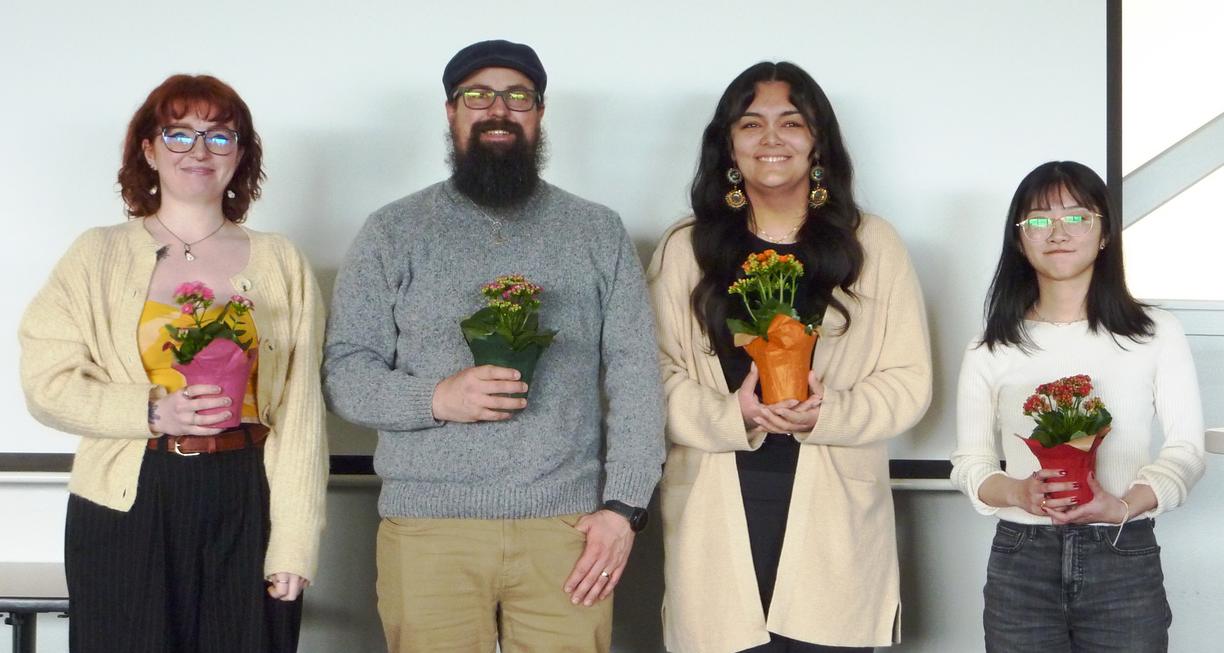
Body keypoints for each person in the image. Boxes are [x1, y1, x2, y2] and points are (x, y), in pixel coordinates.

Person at [322, 39, 665, 652]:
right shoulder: (393, 230)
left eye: (518, 97)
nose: (497, 110)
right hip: (430, 527)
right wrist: (437, 398)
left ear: (539, 113)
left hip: (569, 530)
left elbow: (637, 377)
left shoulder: (596, 231)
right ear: (451, 113)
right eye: (477, 96)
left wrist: (623, 508)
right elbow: (345, 373)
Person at [19, 74, 328, 653]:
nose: (198, 151)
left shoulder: (282, 261)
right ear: (149, 148)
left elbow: (301, 413)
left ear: (240, 154)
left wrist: (295, 541)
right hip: (126, 499)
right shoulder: (96, 254)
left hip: (246, 498)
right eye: (179, 133)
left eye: (218, 136)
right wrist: (153, 412)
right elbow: (46, 384)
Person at [647, 62, 932, 652]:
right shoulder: (686, 248)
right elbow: (650, 379)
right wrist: (735, 414)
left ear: (818, 142)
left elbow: (909, 381)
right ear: (728, 146)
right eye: (751, 124)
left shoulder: (872, 245)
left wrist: (832, 409)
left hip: (835, 524)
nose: (771, 139)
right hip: (717, 513)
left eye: (791, 122)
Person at [950, 160, 1205, 651]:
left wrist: (1123, 505)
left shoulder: (1154, 333)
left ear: (1104, 232)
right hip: (1021, 560)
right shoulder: (992, 346)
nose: (1058, 232)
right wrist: (1019, 493)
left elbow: (1185, 451)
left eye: (1077, 216)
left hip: (1122, 550)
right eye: (1040, 220)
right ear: (1019, 239)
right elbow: (970, 463)